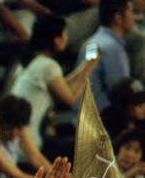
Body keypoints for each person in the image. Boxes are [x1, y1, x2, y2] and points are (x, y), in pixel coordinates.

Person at [10, 15, 96, 155]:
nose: (67, 38)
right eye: (65, 34)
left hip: (24, 139)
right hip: (28, 144)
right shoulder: (48, 66)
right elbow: (71, 99)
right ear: (56, 39)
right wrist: (89, 68)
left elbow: (63, 85)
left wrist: (87, 65)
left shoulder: (36, 62)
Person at [80, 0, 136, 110]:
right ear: (118, 18)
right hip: (103, 121)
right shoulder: (112, 48)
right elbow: (122, 95)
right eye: (131, 12)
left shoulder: (92, 42)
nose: (134, 17)